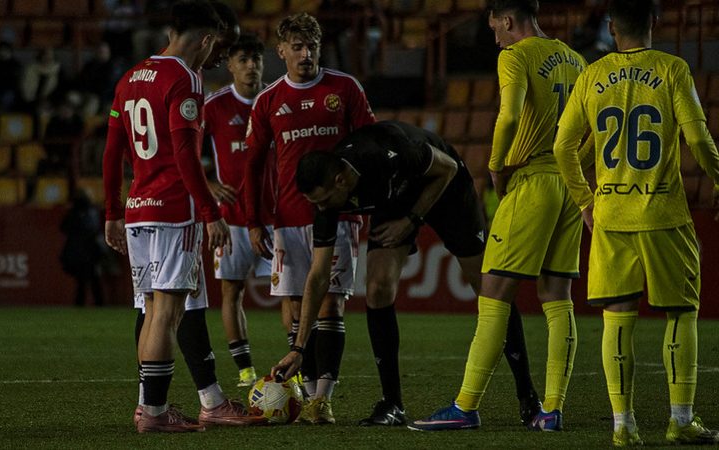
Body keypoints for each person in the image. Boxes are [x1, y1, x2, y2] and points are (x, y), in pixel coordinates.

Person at [271, 120, 541, 427]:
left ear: (341, 181)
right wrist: (299, 348)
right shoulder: (328, 198)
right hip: (395, 201)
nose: (321, 209)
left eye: (323, 200)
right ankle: (392, 404)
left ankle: (527, 395)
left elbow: (448, 168)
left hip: (446, 189)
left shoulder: (390, 152)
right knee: (377, 288)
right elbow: (318, 276)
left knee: (490, 289)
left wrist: (412, 219)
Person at [410, 0, 587, 432]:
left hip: (530, 182)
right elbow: (590, 129)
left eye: (495, 29)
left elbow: (509, 114)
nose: (495, 38)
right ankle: (551, 410)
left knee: (493, 294)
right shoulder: (577, 59)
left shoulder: (515, 55)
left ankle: (465, 406)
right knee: (556, 296)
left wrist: (495, 164)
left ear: (508, 21)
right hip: (568, 183)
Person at [553, 0, 719, 446]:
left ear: (611, 27)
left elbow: (563, 147)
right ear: (654, 23)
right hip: (664, 214)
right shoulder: (673, 69)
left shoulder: (592, 75)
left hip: (609, 215)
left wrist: (585, 202)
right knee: (681, 313)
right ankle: (680, 420)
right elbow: (698, 137)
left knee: (617, 319)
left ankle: (623, 427)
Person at [103, 0, 263, 433]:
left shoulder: (129, 77)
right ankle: (154, 413)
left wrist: (113, 212)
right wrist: (210, 212)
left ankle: (152, 405)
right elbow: (185, 155)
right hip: (175, 208)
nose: (215, 58)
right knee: (167, 312)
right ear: (207, 39)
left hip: (138, 208)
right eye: (217, 48)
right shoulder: (185, 79)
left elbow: (112, 150)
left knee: (151, 306)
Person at [243, 12, 376, 424]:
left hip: (337, 214)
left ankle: (322, 398)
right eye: (297, 47)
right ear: (280, 51)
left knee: (331, 304)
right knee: (294, 304)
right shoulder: (268, 100)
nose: (305, 54)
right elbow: (250, 164)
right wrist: (252, 219)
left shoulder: (344, 88)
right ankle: (299, 383)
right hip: (287, 216)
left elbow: (370, 145)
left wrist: (362, 203)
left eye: (312, 47)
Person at [203, 33, 272, 388]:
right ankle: (246, 370)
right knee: (232, 292)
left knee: (293, 293)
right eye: (243, 59)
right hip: (230, 218)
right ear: (230, 65)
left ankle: (300, 365)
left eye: (256, 59)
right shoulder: (213, 107)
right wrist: (207, 184)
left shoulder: (277, 99)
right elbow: (181, 148)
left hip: (275, 215)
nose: (250, 66)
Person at [60, 189, 105, 307]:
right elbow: (94, 230)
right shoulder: (91, 212)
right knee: (92, 279)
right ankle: (99, 303)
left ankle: (81, 303)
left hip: (80, 251)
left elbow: (63, 228)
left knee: (83, 281)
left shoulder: (74, 213)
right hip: (90, 251)